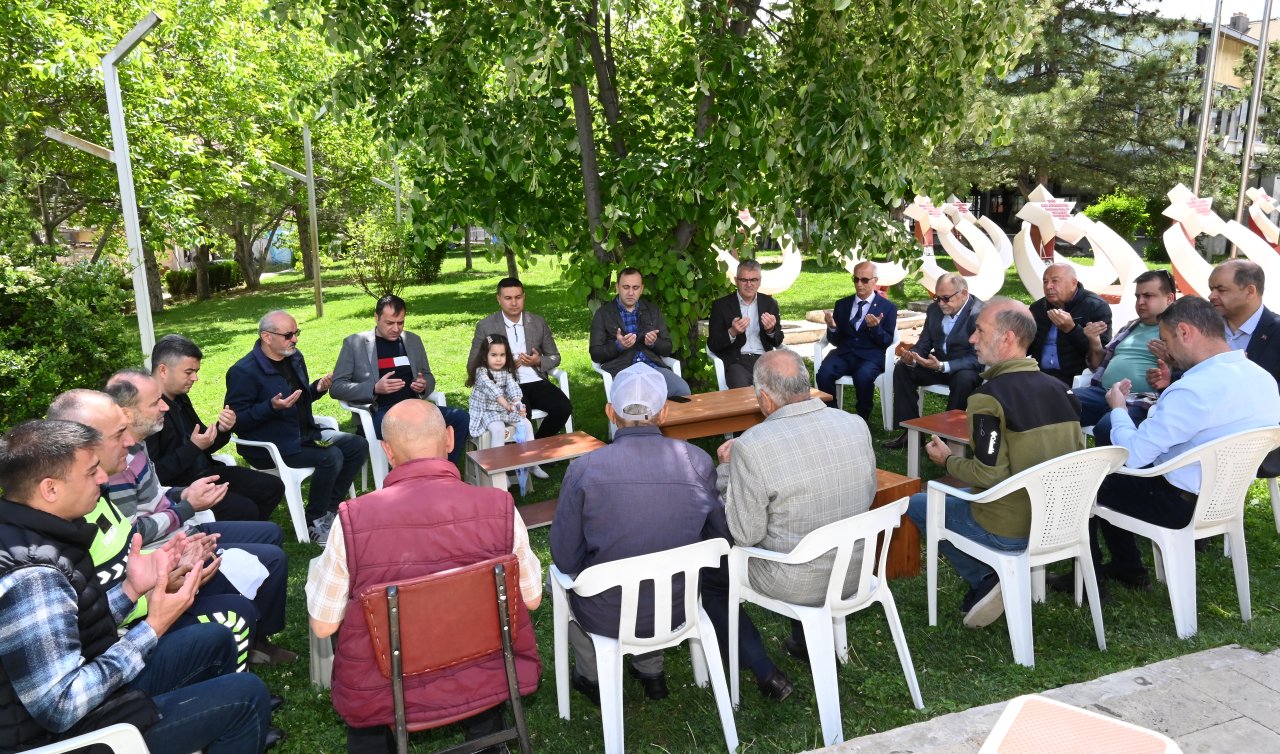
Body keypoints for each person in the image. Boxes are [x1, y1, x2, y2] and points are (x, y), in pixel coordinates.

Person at [0, 419, 273, 754]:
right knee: (246, 696)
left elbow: (69, 631)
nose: (102, 479)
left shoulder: (40, 533)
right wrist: (154, 626)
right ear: (50, 489)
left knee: (214, 639)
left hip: (95, 702)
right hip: (68, 737)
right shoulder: (33, 575)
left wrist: (132, 589)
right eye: (91, 472)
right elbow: (61, 707)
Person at [306, 399, 542, 753]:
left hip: (388, 688)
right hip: (483, 672)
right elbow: (532, 598)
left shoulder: (352, 521)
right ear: (449, 439)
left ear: (387, 451)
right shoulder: (499, 507)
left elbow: (323, 625)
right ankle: (487, 740)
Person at [552, 363, 793, 705]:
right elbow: (720, 538)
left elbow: (565, 558)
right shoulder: (695, 461)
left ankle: (591, 675)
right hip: (678, 607)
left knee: (564, 581)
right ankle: (651, 670)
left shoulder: (583, 470)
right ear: (664, 412)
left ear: (610, 411)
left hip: (608, 613)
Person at [905, 298, 1084, 629]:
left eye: (979, 330)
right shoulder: (1063, 390)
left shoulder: (989, 397)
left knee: (917, 504)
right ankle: (993, 576)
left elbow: (989, 475)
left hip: (1011, 529)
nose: (972, 339)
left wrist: (948, 462)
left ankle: (985, 577)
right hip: (1061, 522)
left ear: (1007, 339)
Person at [99, 373, 296, 667]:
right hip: (169, 544)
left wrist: (183, 493)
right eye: (155, 403)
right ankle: (249, 635)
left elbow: (154, 495)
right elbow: (133, 531)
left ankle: (258, 636)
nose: (164, 407)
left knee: (269, 533)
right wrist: (187, 507)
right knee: (273, 558)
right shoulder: (115, 463)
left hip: (179, 526)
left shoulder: (136, 445)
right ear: (127, 412)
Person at [1089, 296, 1280, 589]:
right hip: (1226, 497)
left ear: (1186, 333)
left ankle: (1099, 581)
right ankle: (1126, 567)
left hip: (1179, 503)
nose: (1169, 353)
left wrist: (1118, 409)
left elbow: (1134, 455)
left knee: (1085, 484)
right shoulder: (1262, 378)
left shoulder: (1192, 389)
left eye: (1167, 340)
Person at [718, 349, 878, 662]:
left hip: (795, 580)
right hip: (855, 569)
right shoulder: (856, 424)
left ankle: (752, 661)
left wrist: (726, 469)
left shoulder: (752, 446)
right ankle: (806, 641)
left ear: (764, 397)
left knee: (721, 558)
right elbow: (868, 495)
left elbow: (745, 533)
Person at [226, 309, 368, 544]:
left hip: (302, 435)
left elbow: (298, 400)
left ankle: (328, 511)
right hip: (271, 445)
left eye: (296, 333)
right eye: (288, 335)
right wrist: (270, 407)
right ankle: (315, 520)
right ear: (266, 337)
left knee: (357, 445)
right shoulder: (243, 372)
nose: (295, 339)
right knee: (330, 456)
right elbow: (237, 421)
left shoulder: (294, 357)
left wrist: (317, 389)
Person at [147, 334, 284, 522]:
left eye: (196, 371)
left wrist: (223, 429)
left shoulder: (179, 398)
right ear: (163, 370)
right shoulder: (146, 410)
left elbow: (205, 443)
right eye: (188, 372)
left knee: (272, 487)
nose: (195, 378)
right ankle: (239, 537)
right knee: (245, 509)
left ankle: (248, 536)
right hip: (181, 489)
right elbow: (155, 474)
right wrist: (193, 448)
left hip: (206, 472)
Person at [331, 295, 471, 463]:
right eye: (390, 323)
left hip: (414, 407)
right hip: (380, 411)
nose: (396, 329)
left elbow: (427, 375)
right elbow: (337, 387)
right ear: (376, 317)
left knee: (461, 418)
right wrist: (374, 388)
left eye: (401, 322)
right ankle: (414, 478)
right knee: (412, 430)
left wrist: (424, 385)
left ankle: (445, 470)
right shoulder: (355, 344)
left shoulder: (413, 340)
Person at [1073, 270, 1176, 444]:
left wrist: (1171, 360)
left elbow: (1191, 372)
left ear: (1169, 298)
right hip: (1103, 392)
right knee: (1058, 402)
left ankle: (1108, 471)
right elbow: (1098, 365)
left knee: (1110, 428)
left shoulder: (1177, 331)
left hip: (1141, 399)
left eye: (1148, 296)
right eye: (1137, 296)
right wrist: (1095, 342)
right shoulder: (1131, 327)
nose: (1140, 302)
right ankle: (1061, 466)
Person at [883, 273, 983, 449]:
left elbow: (977, 358)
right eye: (937, 298)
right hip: (936, 363)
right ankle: (911, 433)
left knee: (964, 379)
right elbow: (924, 343)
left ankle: (948, 439)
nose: (941, 303)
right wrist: (912, 356)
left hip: (964, 367)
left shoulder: (979, 313)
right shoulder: (934, 310)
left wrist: (943, 366)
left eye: (945, 298)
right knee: (902, 368)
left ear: (964, 293)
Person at [469, 277, 574, 438]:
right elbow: (472, 365)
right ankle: (526, 455)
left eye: (518, 297)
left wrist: (538, 361)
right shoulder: (486, 326)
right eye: (508, 298)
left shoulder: (537, 322)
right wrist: (503, 365)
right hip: (506, 384)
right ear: (499, 299)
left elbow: (554, 356)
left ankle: (538, 447)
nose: (514, 303)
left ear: (524, 297)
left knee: (563, 407)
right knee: (524, 413)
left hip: (536, 380)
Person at [589, 267, 692, 397]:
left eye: (635, 288)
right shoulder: (603, 314)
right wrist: (618, 346)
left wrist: (654, 343)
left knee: (681, 390)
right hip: (622, 370)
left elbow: (667, 348)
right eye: (626, 287)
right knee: (640, 397)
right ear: (617, 287)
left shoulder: (653, 311)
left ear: (642, 289)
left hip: (652, 368)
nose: (631, 292)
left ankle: (668, 418)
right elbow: (596, 354)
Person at [816, 261, 898, 420]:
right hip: (844, 354)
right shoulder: (842, 304)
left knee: (863, 376)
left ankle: (862, 417)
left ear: (875, 281)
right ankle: (831, 416)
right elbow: (836, 340)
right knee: (823, 374)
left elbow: (887, 341)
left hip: (870, 357)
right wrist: (833, 327)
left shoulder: (888, 307)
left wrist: (875, 328)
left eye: (864, 280)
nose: (859, 284)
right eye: (855, 279)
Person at [1029, 263, 1112, 386]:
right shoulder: (1038, 308)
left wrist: (1072, 329)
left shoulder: (1095, 306)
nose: (1048, 286)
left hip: (1073, 377)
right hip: (1038, 374)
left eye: (1055, 281)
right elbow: (1027, 345)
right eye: (1045, 282)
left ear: (1073, 283)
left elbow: (1101, 356)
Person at [707, 259, 785, 388]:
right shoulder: (721, 306)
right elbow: (713, 344)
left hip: (764, 359)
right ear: (736, 280)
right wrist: (732, 332)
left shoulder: (769, 303)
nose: (749, 284)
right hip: (737, 361)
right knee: (740, 388)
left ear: (759, 281)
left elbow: (777, 341)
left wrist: (770, 330)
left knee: (782, 386)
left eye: (753, 280)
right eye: (744, 280)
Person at [466, 335, 539, 471]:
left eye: (502, 355)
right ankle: (500, 468)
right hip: (487, 411)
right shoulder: (481, 372)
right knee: (498, 429)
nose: (498, 359)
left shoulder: (507, 371)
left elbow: (513, 388)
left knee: (527, 424)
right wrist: (507, 405)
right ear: (484, 356)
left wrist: (518, 404)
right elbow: (494, 391)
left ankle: (532, 463)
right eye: (494, 355)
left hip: (506, 409)